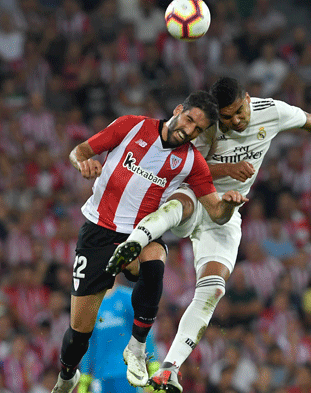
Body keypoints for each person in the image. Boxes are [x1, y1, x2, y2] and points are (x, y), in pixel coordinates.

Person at [108, 77, 311, 393]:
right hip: (194, 192)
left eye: (237, 113)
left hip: (226, 213)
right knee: (184, 203)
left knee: (214, 289)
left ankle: (169, 369)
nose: (234, 121)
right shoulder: (206, 125)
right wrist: (226, 171)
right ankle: (136, 240)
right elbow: (178, 165)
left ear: (248, 99)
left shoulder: (270, 112)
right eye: (226, 117)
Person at [52, 91, 248, 393]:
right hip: (98, 231)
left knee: (155, 260)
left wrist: (230, 205)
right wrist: (83, 163)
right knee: (79, 335)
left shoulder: (192, 162)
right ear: (178, 109)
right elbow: (79, 151)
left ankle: (137, 347)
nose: (190, 130)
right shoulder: (130, 126)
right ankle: (67, 377)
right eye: (189, 119)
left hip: (138, 235)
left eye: (198, 129)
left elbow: (216, 212)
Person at [80, 276, 157, 393]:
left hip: (128, 372)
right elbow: (88, 342)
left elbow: (143, 330)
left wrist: (153, 364)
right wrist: (84, 376)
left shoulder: (128, 298)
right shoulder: (91, 305)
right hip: (101, 375)